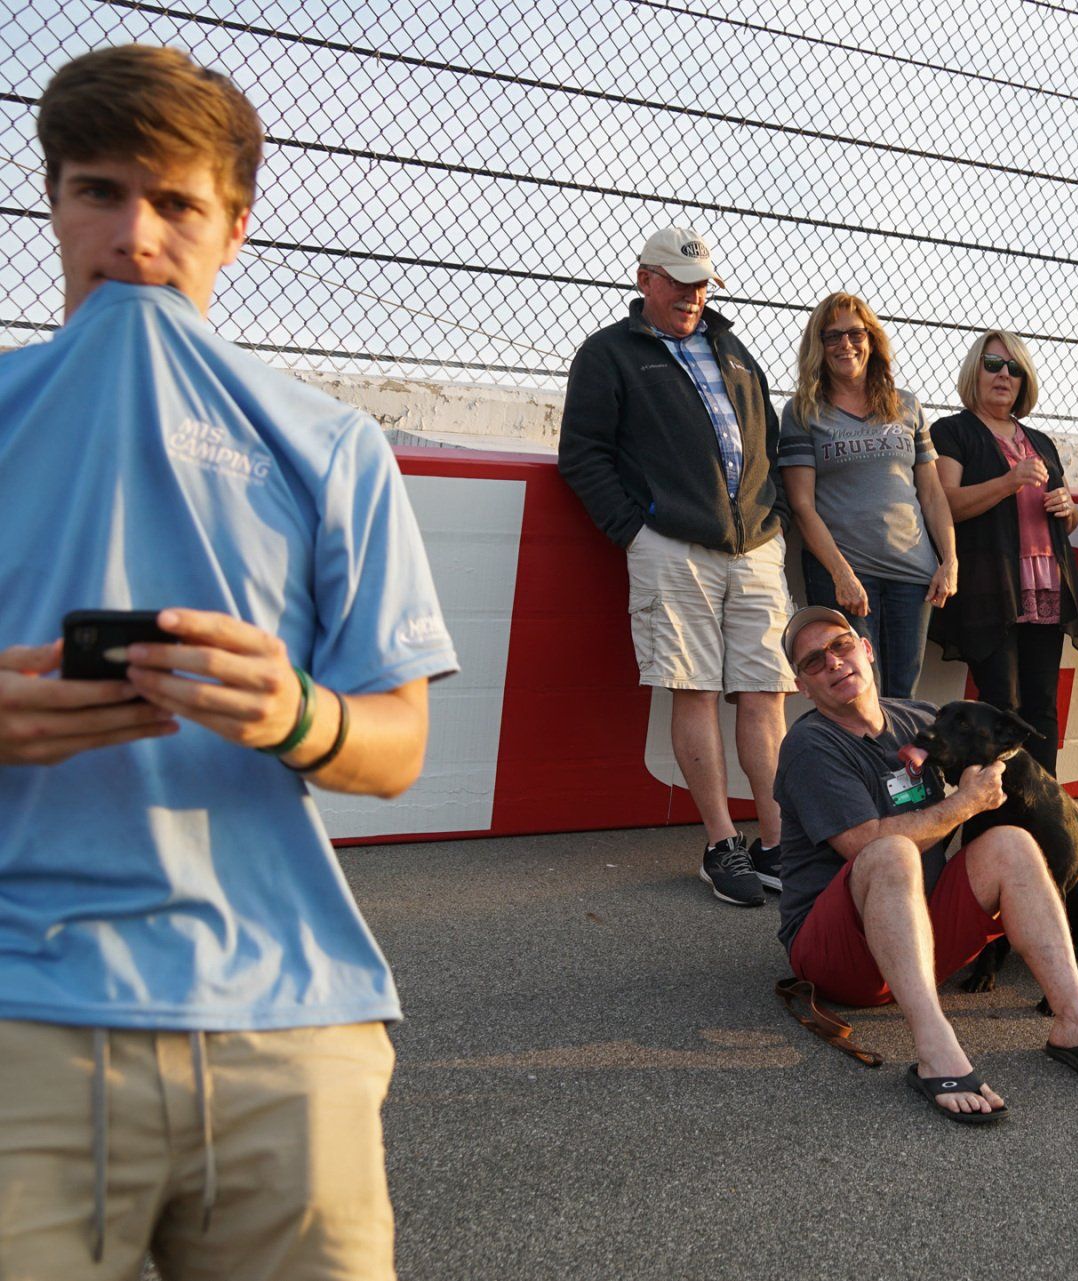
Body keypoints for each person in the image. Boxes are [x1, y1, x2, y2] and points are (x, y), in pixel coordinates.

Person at [0, 46, 459, 1278]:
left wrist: (299, 715)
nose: (134, 235)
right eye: (99, 191)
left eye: (176, 202)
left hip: (287, 1015)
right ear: (52, 201)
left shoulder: (332, 445)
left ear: (234, 227)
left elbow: (397, 747)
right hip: (22, 1010)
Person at [773, 605, 1078, 1123]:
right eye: (813, 662)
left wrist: (1072, 809)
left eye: (840, 645)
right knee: (893, 849)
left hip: (918, 943)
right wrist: (963, 805)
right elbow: (861, 846)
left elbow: (1007, 754)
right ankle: (934, 1048)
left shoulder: (922, 718)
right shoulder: (811, 746)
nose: (832, 662)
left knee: (1012, 841)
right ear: (802, 686)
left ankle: (1075, 1022)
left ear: (867, 650)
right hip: (839, 959)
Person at [558, 224, 790, 907]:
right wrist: (635, 532)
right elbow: (583, 454)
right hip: (671, 545)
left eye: (700, 285)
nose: (691, 296)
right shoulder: (609, 354)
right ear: (644, 280)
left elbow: (767, 446)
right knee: (691, 689)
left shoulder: (735, 349)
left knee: (764, 692)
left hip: (754, 547)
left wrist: (766, 521)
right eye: (677, 283)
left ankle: (776, 843)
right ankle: (722, 844)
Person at [927, 330, 1078, 775]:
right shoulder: (952, 431)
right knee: (1000, 706)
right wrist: (1009, 481)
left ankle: (1043, 809)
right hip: (992, 587)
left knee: (1042, 706)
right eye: (993, 364)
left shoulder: (1039, 439)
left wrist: (1068, 510)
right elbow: (947, 504)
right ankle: (994, 813)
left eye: (1014, 368)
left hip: (1044, 588)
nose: (1004, 375)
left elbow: (1069, 520)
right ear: (974, 371)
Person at [779, 293, 957, 699]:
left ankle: (898, 767)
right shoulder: (803, 412)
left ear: (872, 339)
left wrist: (950, 560)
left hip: (913, 576)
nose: (846, 344)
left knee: (901, 696)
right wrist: (842, 575)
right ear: (818, 346)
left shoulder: (906, 405)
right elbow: (802, 505)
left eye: (855, 333)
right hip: (845, 577)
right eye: (832, 336)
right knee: (855, 694)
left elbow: (931, 494)